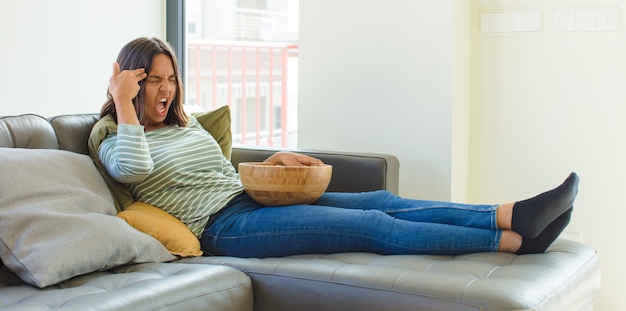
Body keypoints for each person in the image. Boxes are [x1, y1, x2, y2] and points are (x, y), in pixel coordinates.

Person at [90, 36, 579, 258]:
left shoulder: (186, 125)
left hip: (250, 199)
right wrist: (122, 103)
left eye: (170, 78)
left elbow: (220, 174)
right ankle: (513, 241)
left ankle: (511, 214)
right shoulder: (112, 137)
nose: (165, 89)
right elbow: (133, 171)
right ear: (130, 83)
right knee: (372, 226)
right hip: (226, 228)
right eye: (151, 80)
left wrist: (270, 165)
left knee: (384, 202)